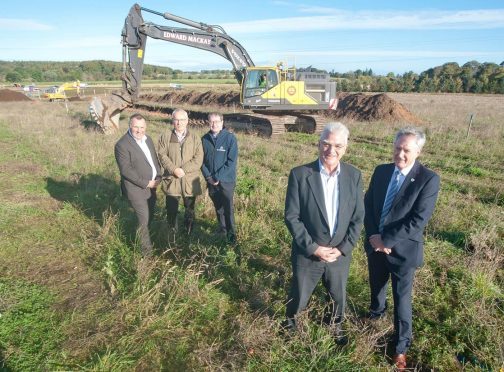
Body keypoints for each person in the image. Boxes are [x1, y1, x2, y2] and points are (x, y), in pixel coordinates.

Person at [364, 127, 440, 370]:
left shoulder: (428, 179)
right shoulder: (382, 171)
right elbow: (368, 206)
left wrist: (387, 241)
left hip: (403, 251)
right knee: (376, 284)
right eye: (397, 148)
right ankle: (376, 314)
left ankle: (400, 347)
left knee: (402, 299)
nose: (400, 154)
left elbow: (418, 220)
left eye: (407, 150)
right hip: (375, 244)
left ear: (418, 151)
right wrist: (375, 236)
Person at [283, 122, 364, 344]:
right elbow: (292, 216)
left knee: (338, 297)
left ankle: (334, 325)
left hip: (338, 254)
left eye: (338, 145)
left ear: (345, 148)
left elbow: (358, 218)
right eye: (326, 144)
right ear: (319, 144)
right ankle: (290, 326)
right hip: (307, 252)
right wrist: (314, 248)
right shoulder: (300, 175)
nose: (331, 150)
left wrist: (343, 249)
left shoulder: (354, 176)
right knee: (299, 295)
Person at [115, 113, 161, 256]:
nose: (139, 130)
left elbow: (154, 160)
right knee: (143, 219)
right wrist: (147, 183)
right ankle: (146, 255)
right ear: (130, 126)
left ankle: (147, 239)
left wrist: (158, 176)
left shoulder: (148, 140)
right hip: (136, 189)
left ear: (145, 127)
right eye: (136, 127)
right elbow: (126, 170)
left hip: (152, 187)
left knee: (150, 216)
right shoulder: (122, 145)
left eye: (142, 127)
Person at [157, 108, 203, 235]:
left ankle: (188, 232)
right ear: (172, 120)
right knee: (171, 209)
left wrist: (183, 170)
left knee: (190, 209)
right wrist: (174, 169)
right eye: (176, 119)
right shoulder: (165, 136)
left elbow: (198, 159)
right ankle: (172, 233)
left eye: (182, 120)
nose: (179, 122)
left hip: (189, 181)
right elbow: (162, 155)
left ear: (187, 121)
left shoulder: (195, 138)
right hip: (172, 180)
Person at [201, 112, 238, 243]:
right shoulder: (204, 139)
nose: (214, 124)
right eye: (211, 121)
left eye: (217, 121)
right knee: (218, 207)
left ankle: (231, 236)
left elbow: (231, 161)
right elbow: (202, 161)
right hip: (211, 181)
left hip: (226, 180)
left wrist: (217, 177)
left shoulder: (230, 138)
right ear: (208, 122)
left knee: (228, 208)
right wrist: (208, 176)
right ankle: (222, 229)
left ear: (222, 123)